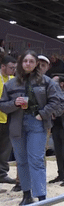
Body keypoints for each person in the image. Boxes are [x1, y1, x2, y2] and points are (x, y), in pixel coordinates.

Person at [0, 50, 62, 204]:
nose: (28, 64)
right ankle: (26, 195)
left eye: (31, 61)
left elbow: (55, 102)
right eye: (25, 61)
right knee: (21, 161)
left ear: (36, 64)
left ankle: (41, 196)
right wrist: (14, 103)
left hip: (37, 124)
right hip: (17, 126)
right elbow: (2, 105)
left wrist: (42, 113)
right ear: (21, 63)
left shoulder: (46, 82)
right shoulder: (10, 84)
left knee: (36, 160)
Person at [0, 56, 17, 185]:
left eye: (15, 68)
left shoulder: (14, 80)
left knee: (5, 149)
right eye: (11, 67)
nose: (13, 70)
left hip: (8, 119)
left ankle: (2, 174)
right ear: (3, 66)